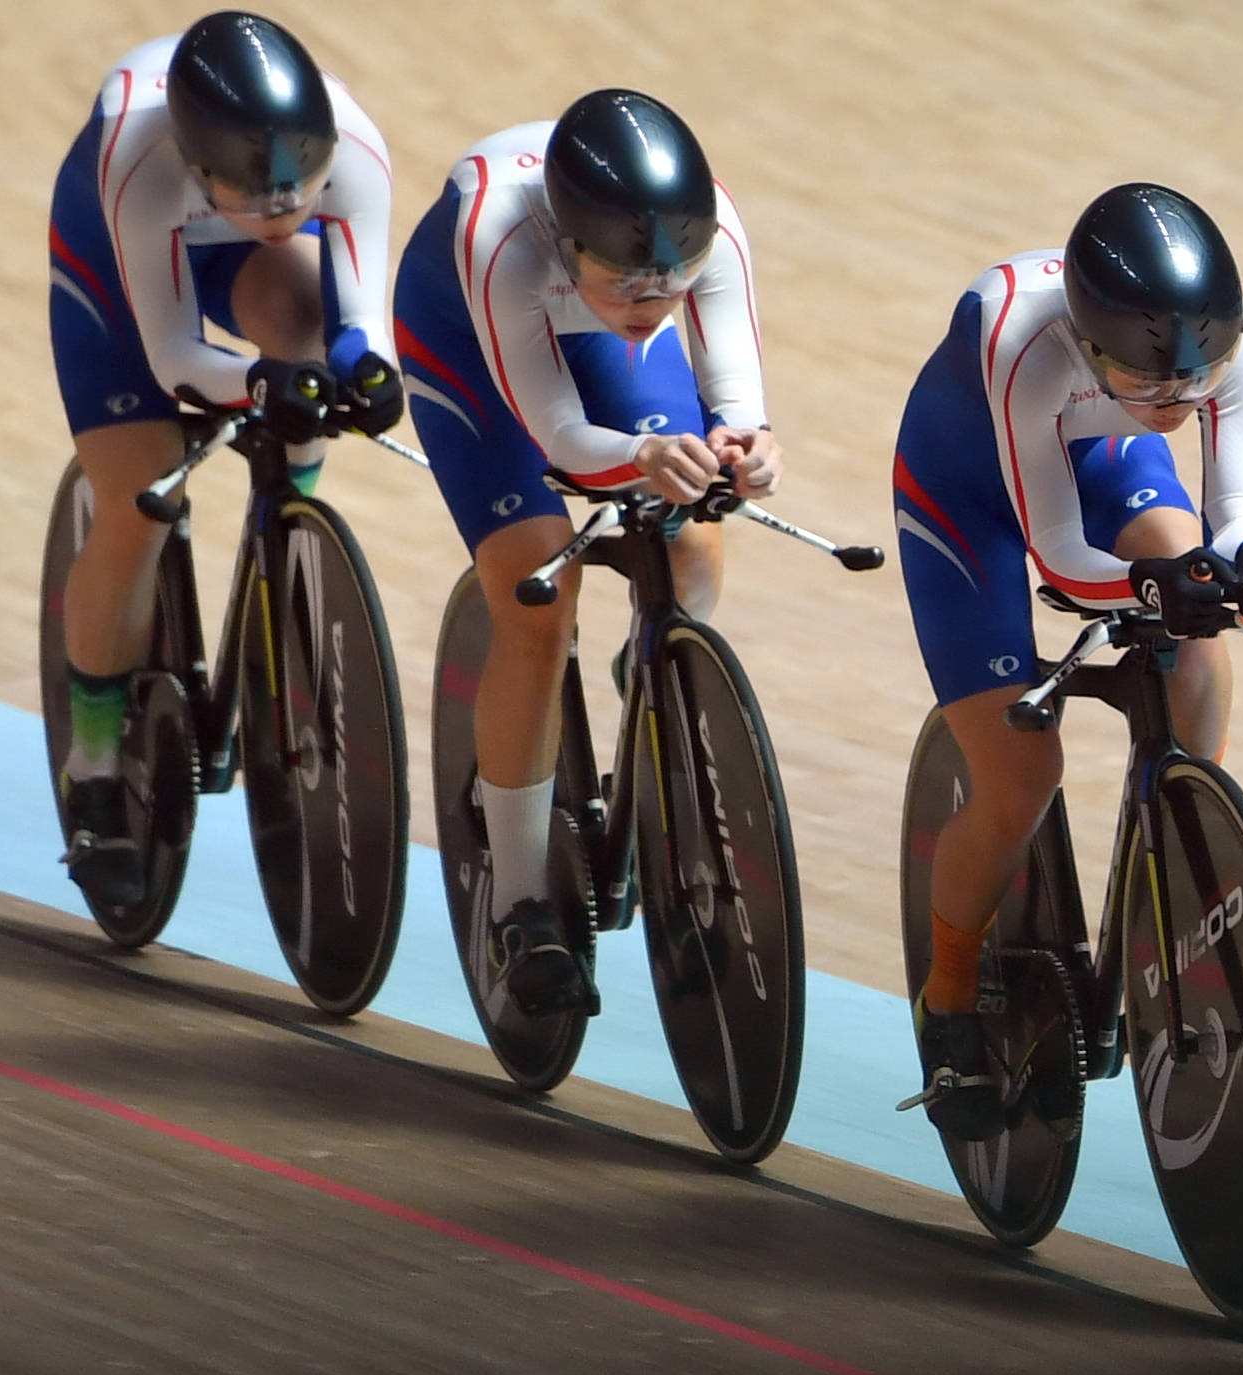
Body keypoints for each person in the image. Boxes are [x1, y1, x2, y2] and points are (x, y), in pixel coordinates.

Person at [890, 182, 1243, 1139]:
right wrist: (1157, 586)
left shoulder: (1225, 343)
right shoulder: (1023, 343)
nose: (1183, 401)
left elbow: (1232, 511)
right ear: (1091, 344)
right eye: (1155, 385)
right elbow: (1063, 554)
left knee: (1199, 649)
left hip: (1106, 457)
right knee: (1021, 773)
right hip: (973, 498)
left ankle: (1181, 854)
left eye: (1199, 383)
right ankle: (946, 1003)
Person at [392, 90, 782, 1018]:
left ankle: (652, 679)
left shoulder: (702, 234)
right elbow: (559, 434)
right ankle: (522, 899)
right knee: (535, 591)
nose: (655, 304)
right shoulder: (501, 236)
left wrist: (746, 445)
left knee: (691, 535)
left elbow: (734, 392)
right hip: (469, 348)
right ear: (572, 249)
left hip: (587, 337)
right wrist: (640, 455)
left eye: (672, 283)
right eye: (632, 285)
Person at [46, 11, 403, 902]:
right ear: (202, 166)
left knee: (310, 337)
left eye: (303, 186)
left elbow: (363, 321)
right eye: (259, 191)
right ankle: (91, 770)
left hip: (232, 255)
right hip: (118, 265)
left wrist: (363, 371)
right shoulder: (139, 157)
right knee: (136, 502)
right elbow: (175, 359)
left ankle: (284, 522)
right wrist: (261, 383)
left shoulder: (352, 147)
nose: (288, 204)